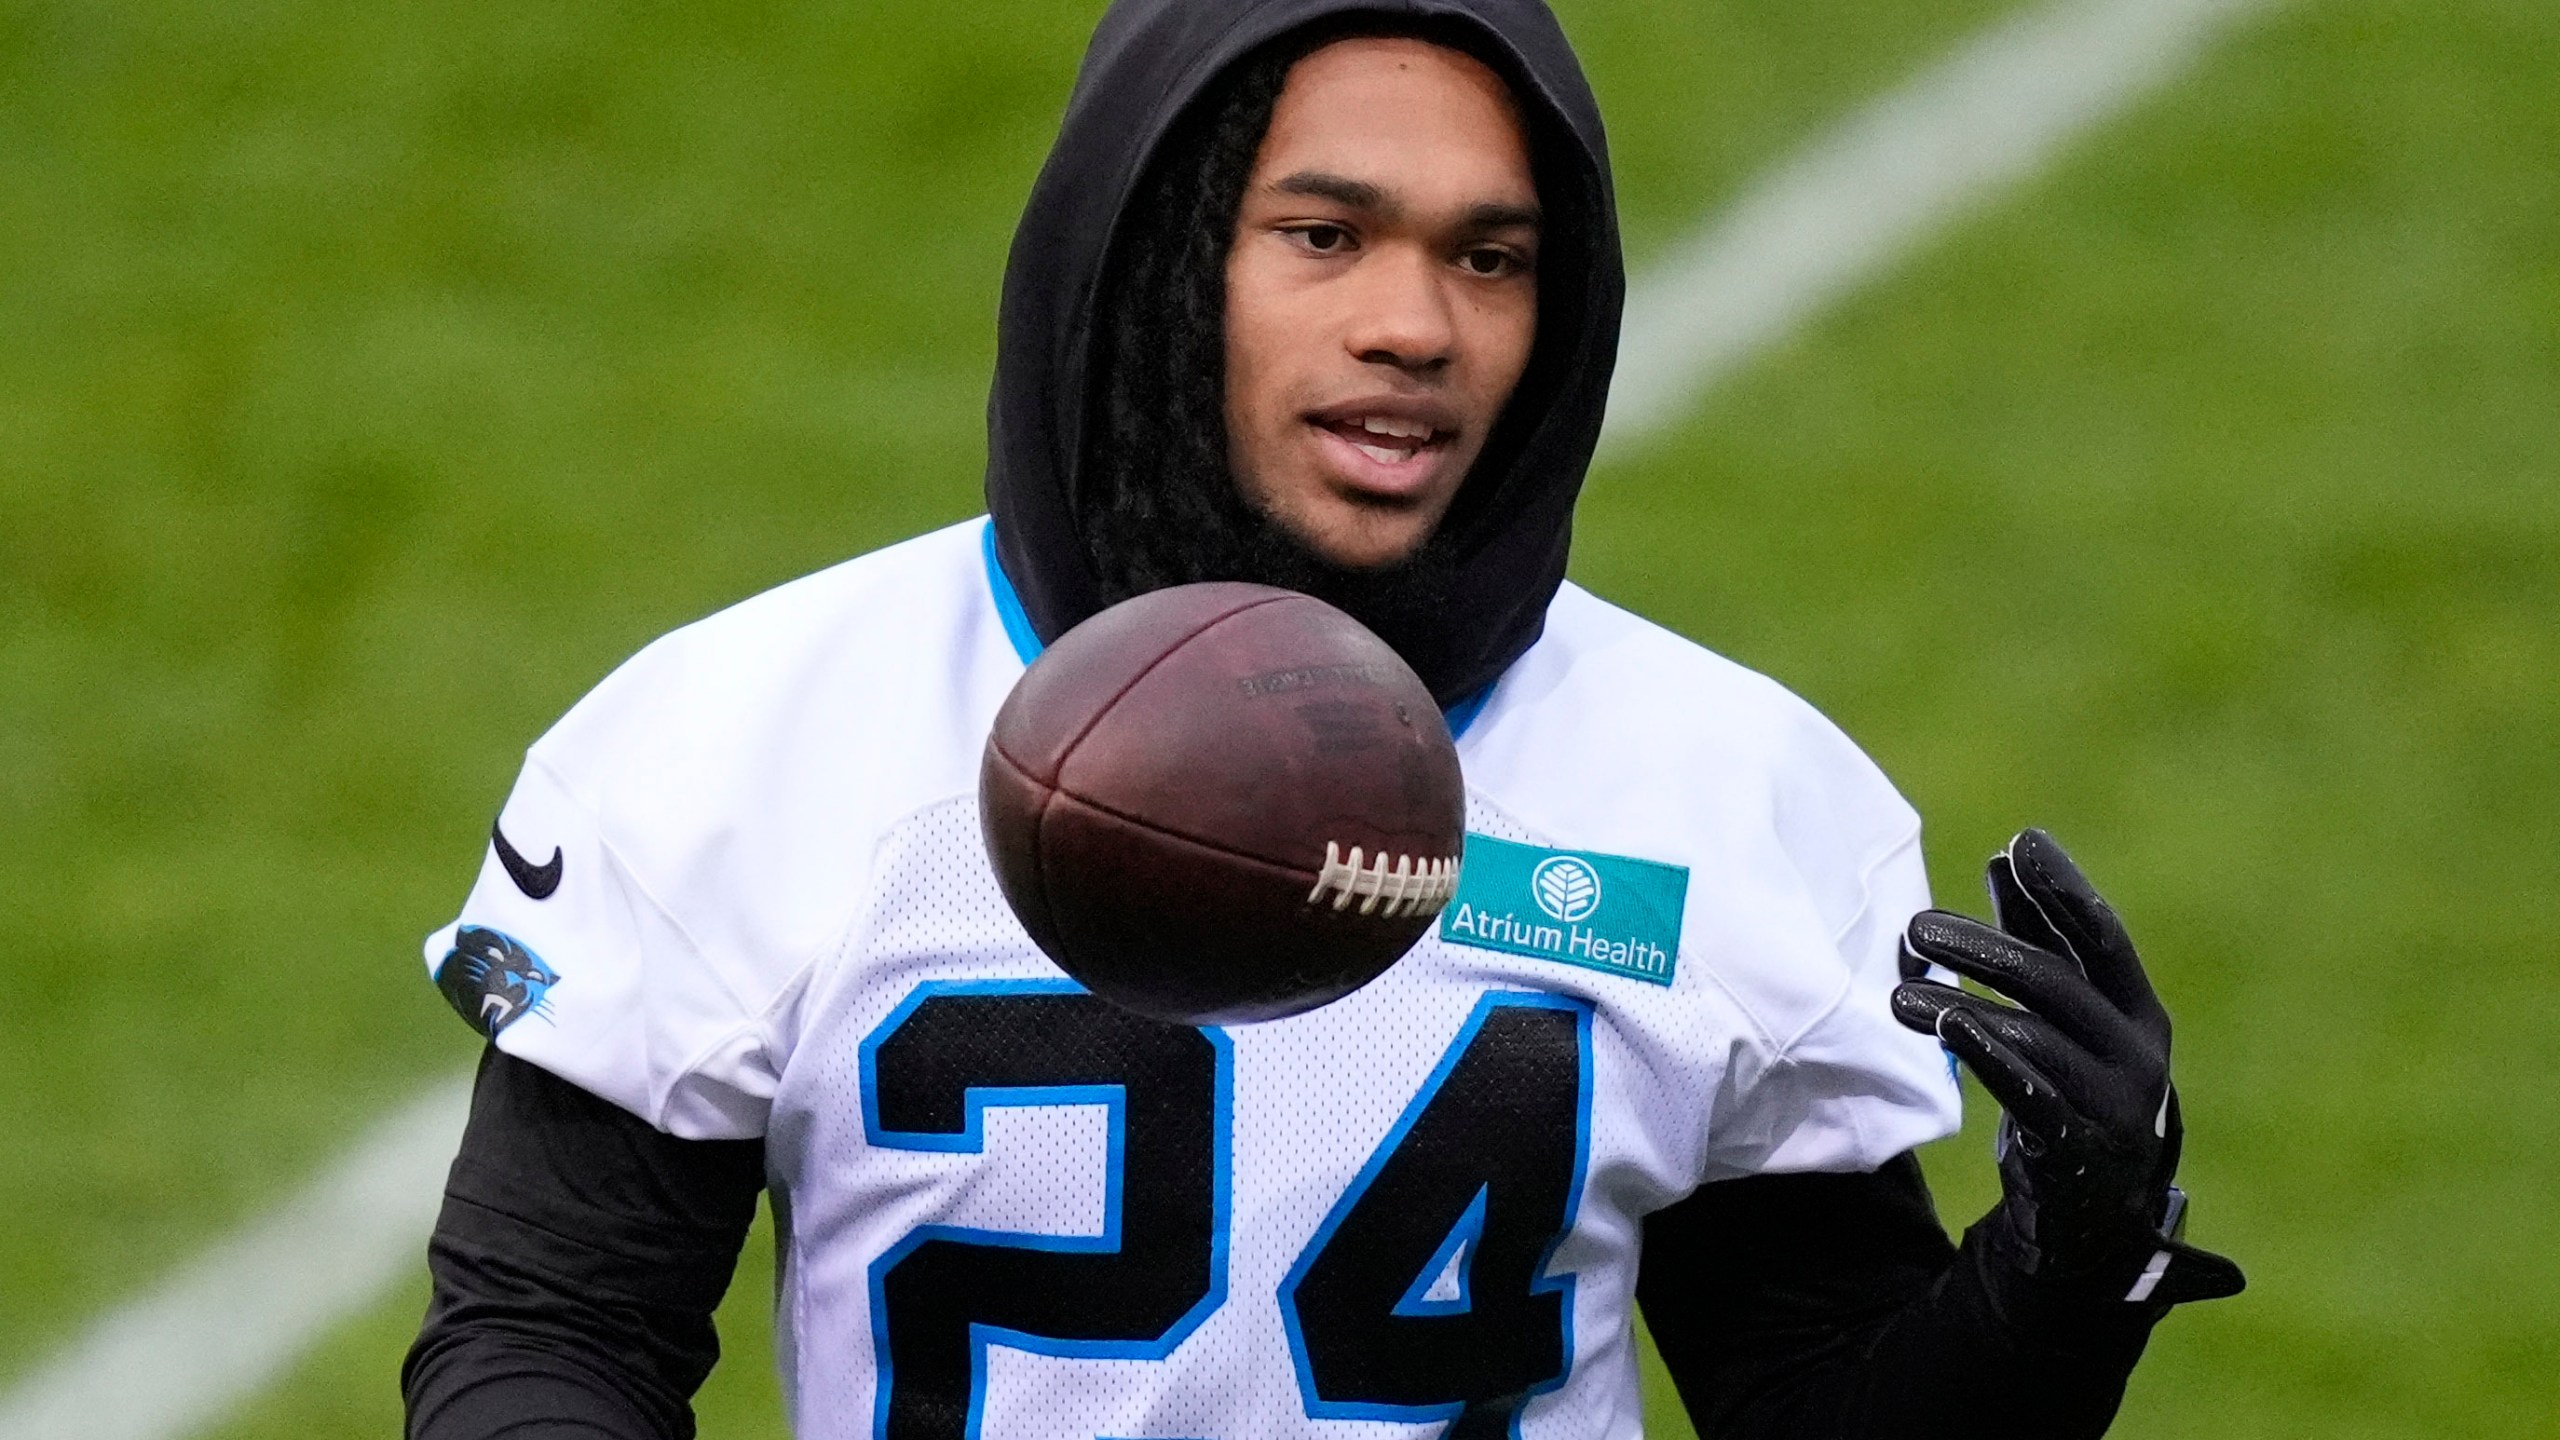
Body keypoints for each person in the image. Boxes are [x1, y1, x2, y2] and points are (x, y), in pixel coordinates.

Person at [402, 1, 2242, 1437]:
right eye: (1326, 234)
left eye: (1489, 256)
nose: (1415, 325)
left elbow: (1811, 1403)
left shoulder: (1714, 787)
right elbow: (550, 1328)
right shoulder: (751, 738)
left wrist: (2065, 1273)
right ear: (1164, 255)